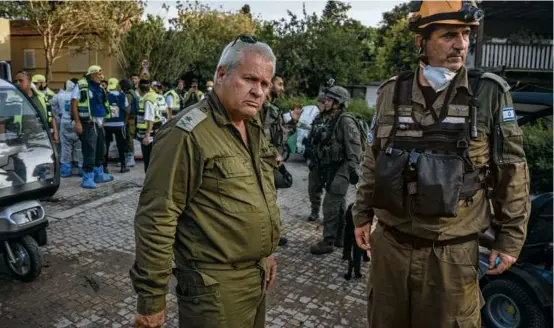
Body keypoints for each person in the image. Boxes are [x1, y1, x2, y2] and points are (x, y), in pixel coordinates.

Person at [352, 1, 530, 327]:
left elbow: (512, 169)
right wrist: (362, 214)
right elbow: (373, 158)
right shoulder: (391, 92)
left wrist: (510, 240)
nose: (461, 44)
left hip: (452, 257)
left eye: (465, 34)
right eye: (449, 35)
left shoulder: (488, 92)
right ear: (421, 41)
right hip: (390, 247)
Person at [130, 34, 280, 328]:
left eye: (265, 84)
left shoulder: (254, 126)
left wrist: (266, 254)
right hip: (215, 288)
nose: (259, 91)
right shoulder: (187, 133)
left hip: (257, 275)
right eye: (250, 79)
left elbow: (260, 194)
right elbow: (157, 217)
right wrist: (151, 300)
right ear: (222, 74)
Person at [309, 85, 363, 255]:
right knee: (338, 202)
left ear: (339, 103)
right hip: (331, 167)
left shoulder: (346, 121)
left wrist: (348, 174)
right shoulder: (330, 118)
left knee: (330, 204)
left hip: (344, 167)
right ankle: (339, 237)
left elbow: (355, 151)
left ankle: (328, 241)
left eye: (331, 99)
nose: (327, 101)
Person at [259, 73, 301, 247]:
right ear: (270, 84)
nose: (282, 88)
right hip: (262, 163)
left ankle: (270, 236)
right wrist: (274, 155)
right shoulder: (263, 107)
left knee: (270, 202)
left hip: (268, 163)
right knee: (265, 203)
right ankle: (265, 239)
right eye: (280, 84)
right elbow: (261, 137)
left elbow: (278, 137)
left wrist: (293, 121)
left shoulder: (271, 108)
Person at [71, 65, 113, 189]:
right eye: (100, 74)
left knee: (101, 149)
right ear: (93, 74)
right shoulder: (80, 85)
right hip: (88, 123)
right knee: (89, 150)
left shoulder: (100, 87)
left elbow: (103, 103)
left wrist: (105, 118)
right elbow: (74, 104)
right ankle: (87, 177)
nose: (102, 76)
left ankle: (98, 173)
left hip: (99, 123)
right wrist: (78, 122)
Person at [304, 92, 330, 222]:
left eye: (322, 102)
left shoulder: (335, 119)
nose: (319, 105)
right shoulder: (317, 118)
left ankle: (330, 216)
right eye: (319, 103)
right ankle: (315, 211)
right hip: (316, 160)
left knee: (332, 191)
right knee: (313, 188)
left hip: (329, 162)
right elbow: (311, 136)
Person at [51, 79, 83, 177]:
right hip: (77, 122)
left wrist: (57, 114)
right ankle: (81, 168)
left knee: (65, 147)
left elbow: (50, 105)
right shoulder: (79, 95)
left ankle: (66, 170)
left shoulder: (59, 96)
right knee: (79, 147)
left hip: (64, 122)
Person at [104, 78, 130, 173]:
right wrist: (125, 121)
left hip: (107, 124)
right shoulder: (123, 95)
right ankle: (123, 166)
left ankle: (105, 167)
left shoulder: (105, 95)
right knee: (121, 145)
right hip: (120, 124)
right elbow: (127, 110)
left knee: (106, 145)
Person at [135, 79, 161, 173]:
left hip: (149, 135)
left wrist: (147, 136)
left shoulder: (147, 100)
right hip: (154, 131)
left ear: (140, 90)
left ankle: (149, 183)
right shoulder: (153, 96)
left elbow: (150, 119)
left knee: (148, 160)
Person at [30, 74, 59, 144]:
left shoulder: (47, 95)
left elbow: (52, 115)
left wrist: (55, 131)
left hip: (46, 127)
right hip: (36, 129)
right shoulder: (32, 95)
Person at [121, 79, 138, 168]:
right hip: (131, 119)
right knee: (128, 138)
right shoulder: (133, 93)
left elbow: (126, 108)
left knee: (128, 139)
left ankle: (130, 159)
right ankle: (127, 159)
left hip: (129, 120)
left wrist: (124, 120)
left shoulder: (128, 95)